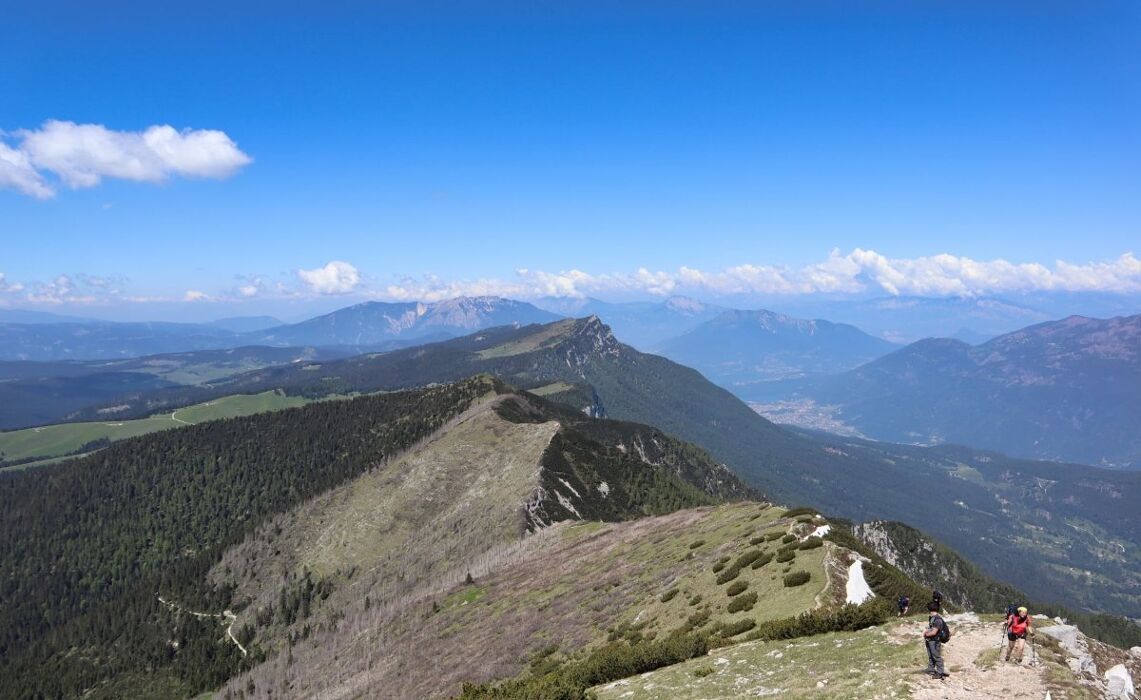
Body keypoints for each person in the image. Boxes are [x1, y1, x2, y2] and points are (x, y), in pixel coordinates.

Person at [923, 601, 950, 679]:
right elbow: (931, 628)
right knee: (931, 655)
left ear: (929, 609)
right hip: (930, 640)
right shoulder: (933, 618)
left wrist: (926, 634)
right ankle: (931, 669)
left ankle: (940, 672)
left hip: (934, 641)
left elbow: (934, 632)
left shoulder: (937, 620)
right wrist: (927, 632)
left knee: (936, 656)